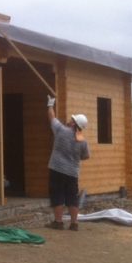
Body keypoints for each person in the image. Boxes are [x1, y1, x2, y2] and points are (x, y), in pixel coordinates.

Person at [45, 95, 90, 231]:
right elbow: (86, 156)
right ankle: (74, 223)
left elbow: (52, 118)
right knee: (72, 196)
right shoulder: (83, 141)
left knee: (57, 194)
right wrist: (75, 158)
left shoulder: (61, 131)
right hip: (72, 172)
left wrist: (50, 105)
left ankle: (58, 222)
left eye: (72, 120)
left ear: (73, 123)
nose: (69, 120)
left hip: (57, 169)